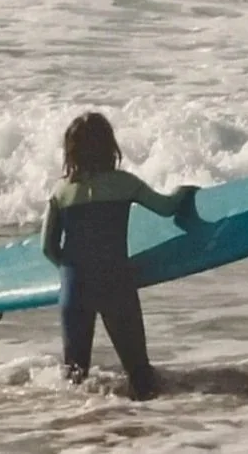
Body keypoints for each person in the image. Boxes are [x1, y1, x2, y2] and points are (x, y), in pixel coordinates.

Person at [41, 111, 196, 399]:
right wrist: (184, 192)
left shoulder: (60, 192)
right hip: (115, 282)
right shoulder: (125, 183)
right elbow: (166, 208)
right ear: (109, 147)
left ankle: (76, 433)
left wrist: (69, 272)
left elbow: (47, 247)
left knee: (75, 378)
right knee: (140, 374)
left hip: (75, 288)